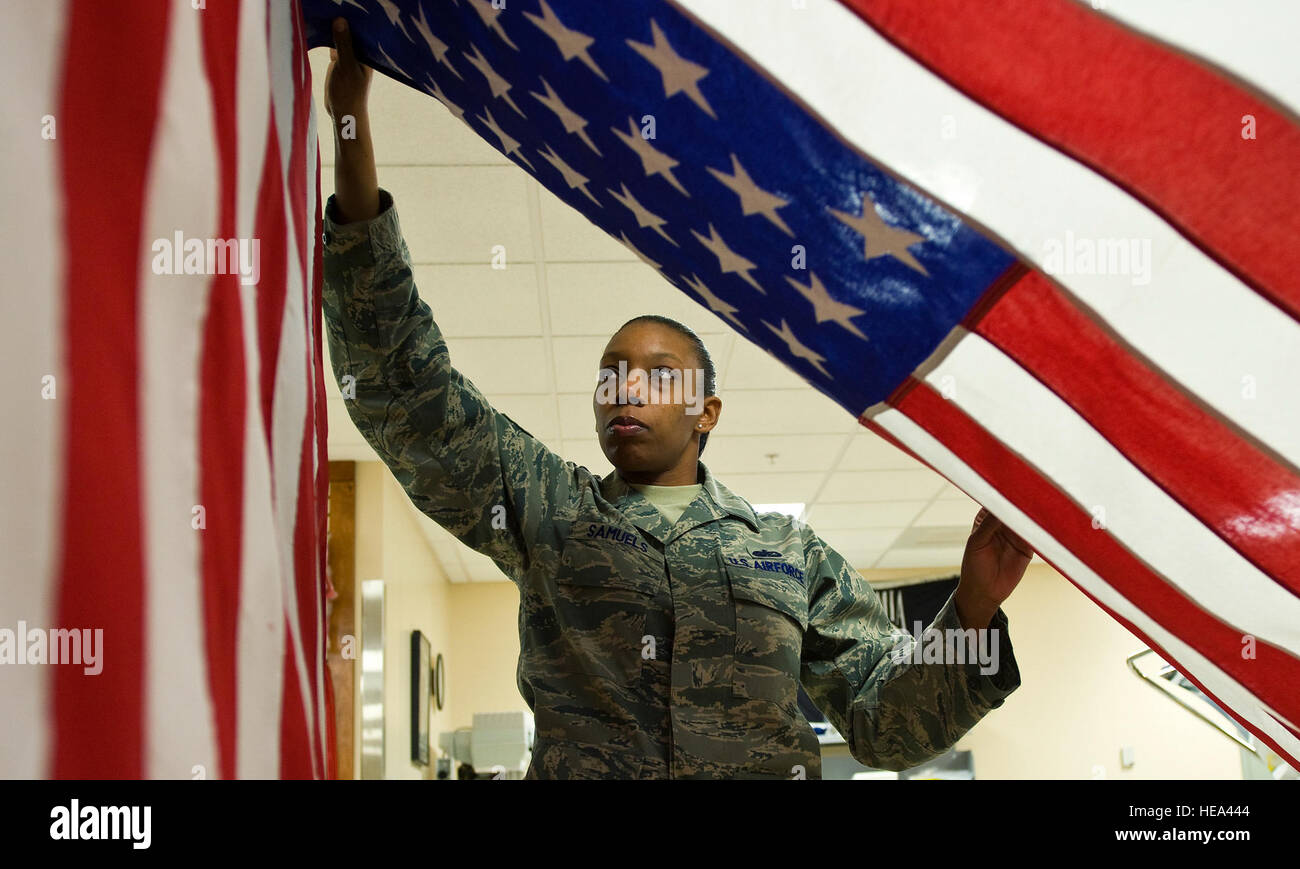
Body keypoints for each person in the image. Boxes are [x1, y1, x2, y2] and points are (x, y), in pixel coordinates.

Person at [321, 18, 1032, 779]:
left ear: (707, 412)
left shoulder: (789, 555)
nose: (626, 386)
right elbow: (407, 387)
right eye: (611, 372)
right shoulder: (549, 510)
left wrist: (972, 610)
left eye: (658, 374)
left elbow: (883, 727)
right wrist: (353, 139)